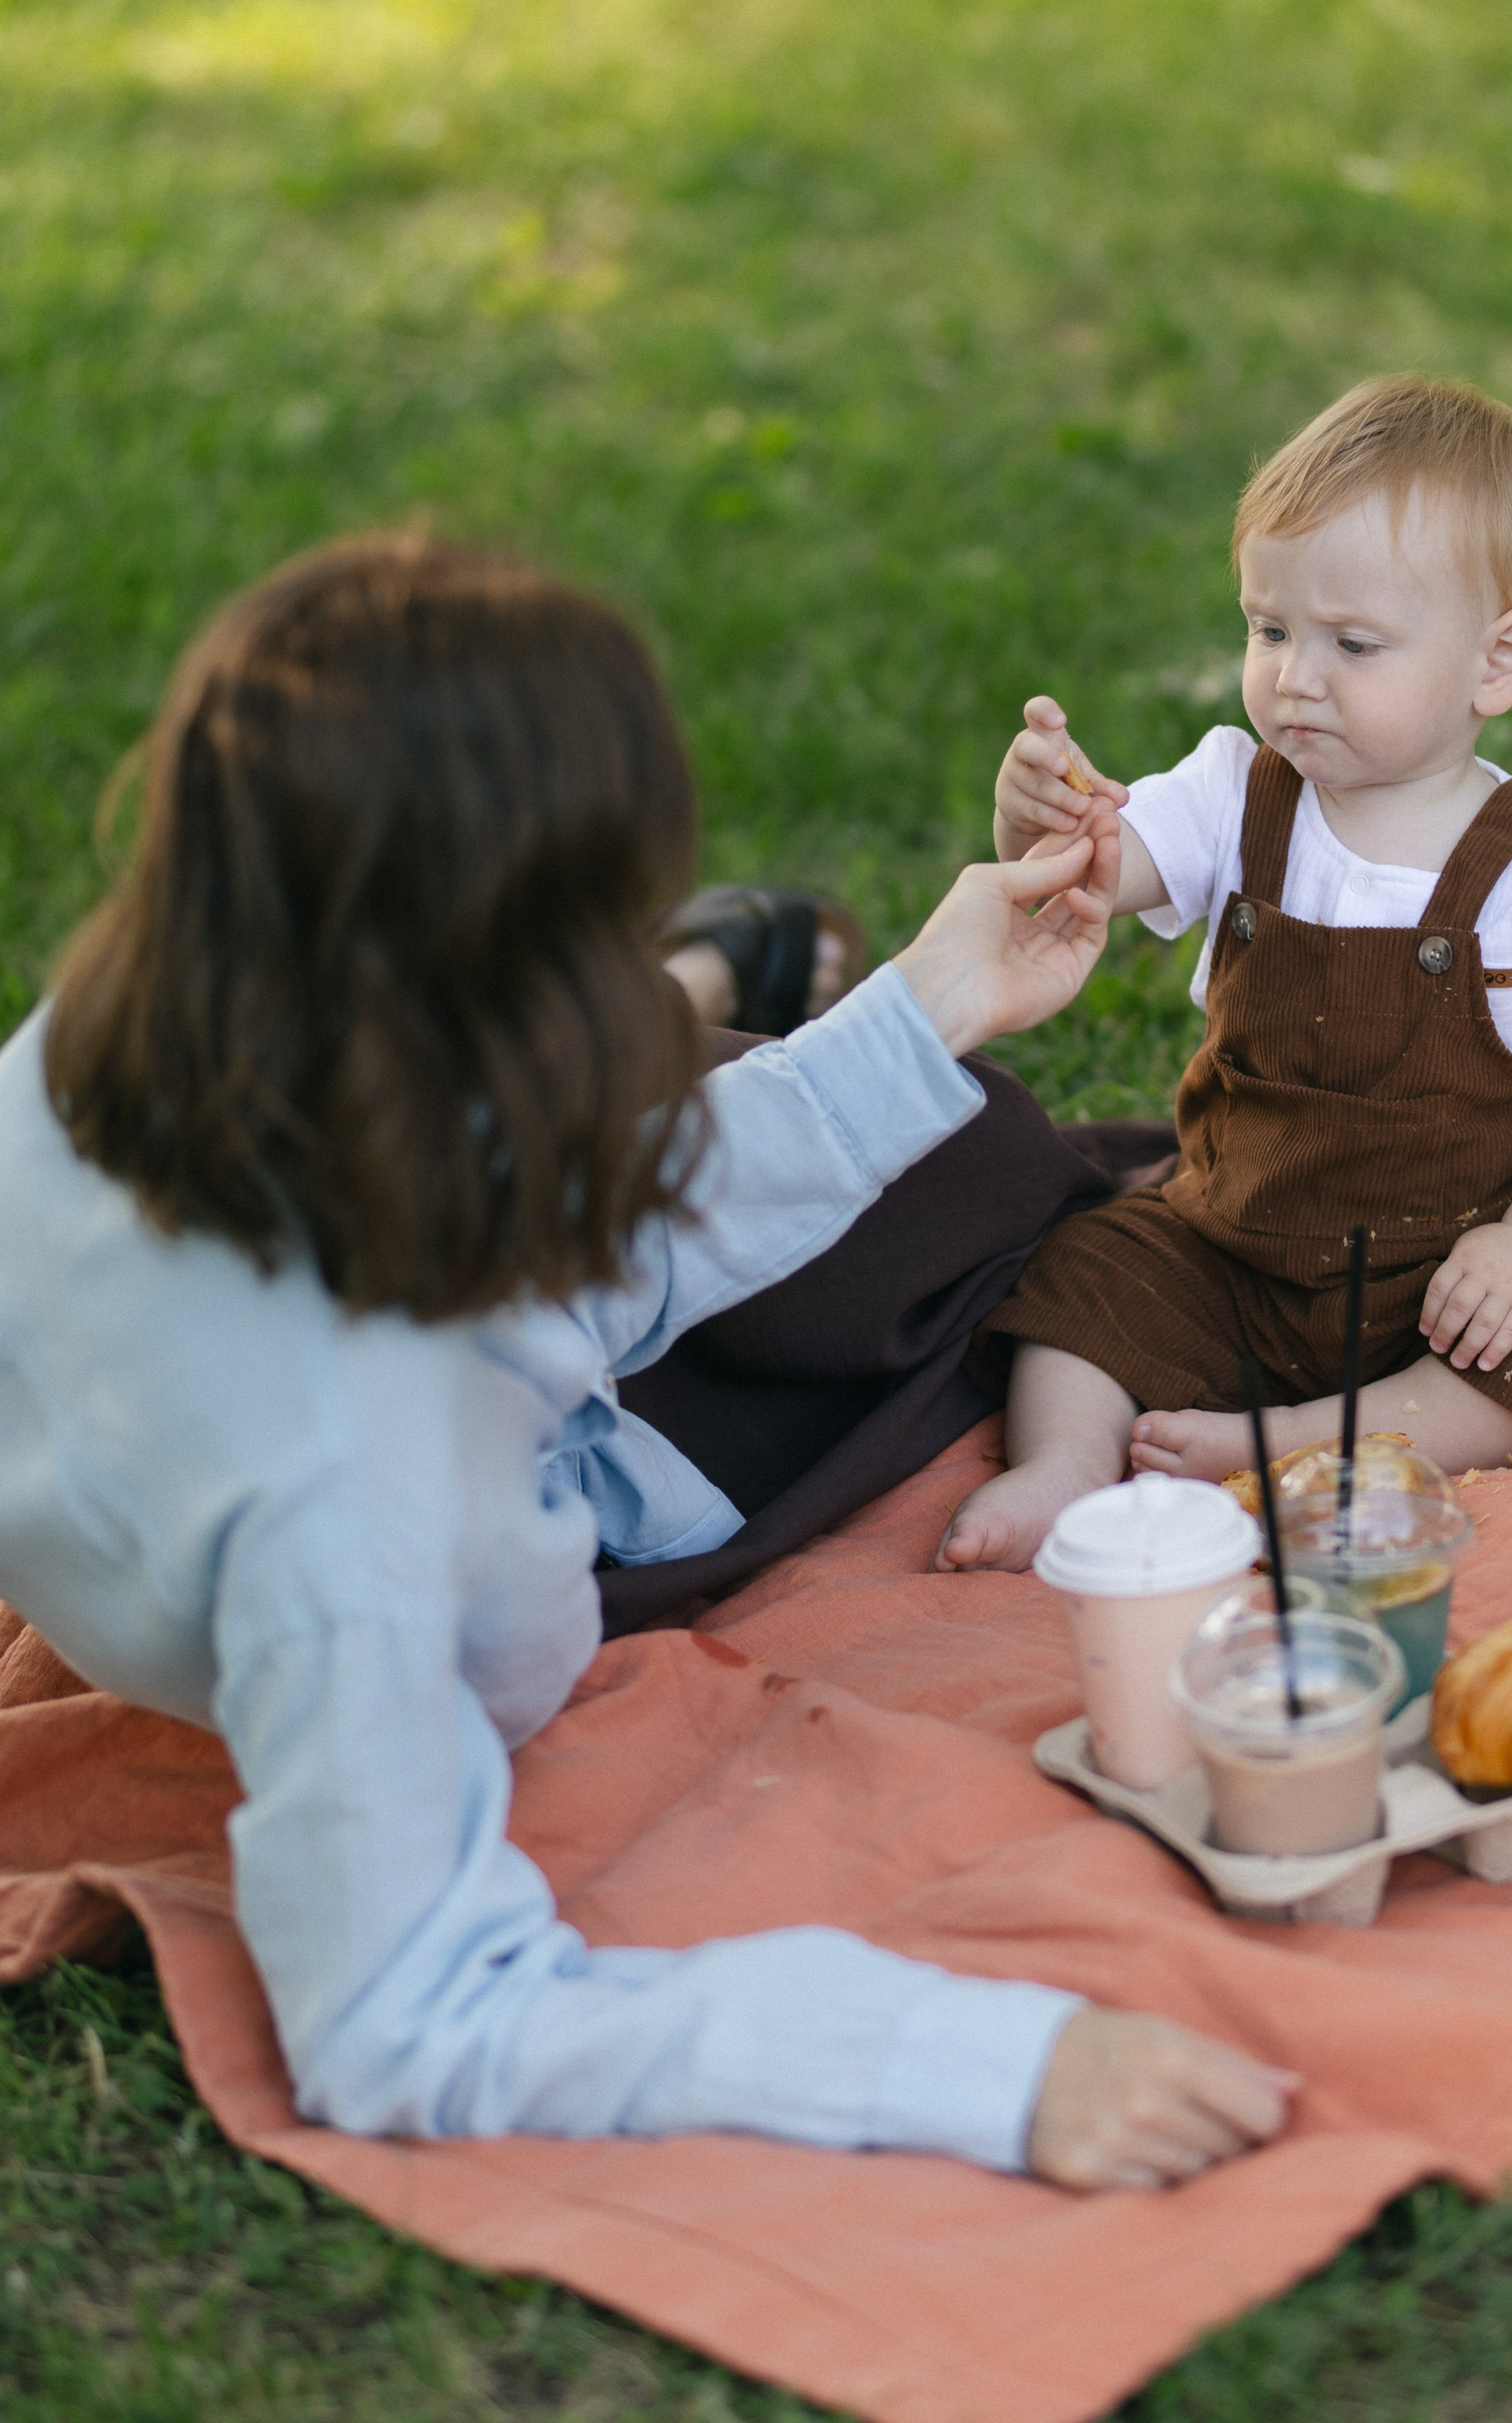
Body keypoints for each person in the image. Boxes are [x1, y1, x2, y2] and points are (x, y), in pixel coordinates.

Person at [0, 533, 1291, 2188]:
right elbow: (405, 2025)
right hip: (531, 1504)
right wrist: (987, 2063)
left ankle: (718, 974)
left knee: (953, 1133)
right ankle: (712, 976)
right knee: (999, 1234)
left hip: (403, 1362)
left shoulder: (105, 1050)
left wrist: (927, 1004)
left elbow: (561, 1225)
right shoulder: (360, 1511)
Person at [940, 374, 1512, 1572]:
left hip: (1451, 1282)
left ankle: (1311, 1441)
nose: (1295, 676)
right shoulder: (1235, 794)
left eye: (1353, 644)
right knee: (1091, 1267)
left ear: (1497, 662)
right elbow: (1091, 875)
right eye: (1269, 630)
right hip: (1239, 1247)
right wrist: (1043, 820)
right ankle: (1066, 1470)